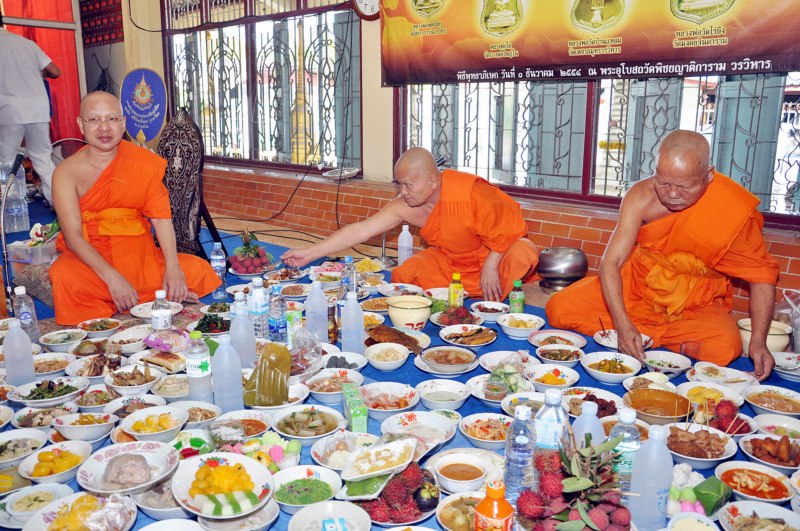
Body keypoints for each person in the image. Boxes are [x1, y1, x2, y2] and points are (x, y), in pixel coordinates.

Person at [546, 130, 779, 380]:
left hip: (693, 304)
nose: (672, 195)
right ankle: (637, 333)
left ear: (709, 175)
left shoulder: (730, 207)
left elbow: (761, 277)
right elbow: (610, 262)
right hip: (637, 289)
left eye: (684, 187)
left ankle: (644, 335)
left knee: (725, 346)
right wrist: (622, 323)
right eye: (663, 183)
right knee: (560, 308)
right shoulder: (641, 196)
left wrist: (758, 341)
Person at [49, 91, 221, 325]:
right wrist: (111, 277)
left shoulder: (142, 162)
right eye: (94, 119)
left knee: (197, 269)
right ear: (81, 124)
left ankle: (139, 297)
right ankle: (155, 297)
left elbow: (161, 219)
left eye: (111, 119)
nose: (104, 127)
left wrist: (172, 269)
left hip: (139, 255)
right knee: (64, 276)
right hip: (92, 258)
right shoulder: (66, 172)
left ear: (123, 123)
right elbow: (73, 236)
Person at [282, 147, 538, 301]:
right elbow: (360, 230)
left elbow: (511, 227)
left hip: (491, 256)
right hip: (452, 264)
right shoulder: (405, 205)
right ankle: (469, 293)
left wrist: (492, 264)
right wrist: (310, 253)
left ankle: (492, 293)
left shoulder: (469, 191)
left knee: (523, 251)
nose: (402, 192)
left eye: (408, 185)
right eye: (399, 185)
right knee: (405, 273)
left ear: (432, 181)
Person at [0, 14, 61, 204]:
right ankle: (59, 203)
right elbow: (56, 71)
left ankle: (12, 207)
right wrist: (37, 74)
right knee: (43, 158)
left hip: (10, 110)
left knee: (7, 162)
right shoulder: (27, 43)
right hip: (38, 108)